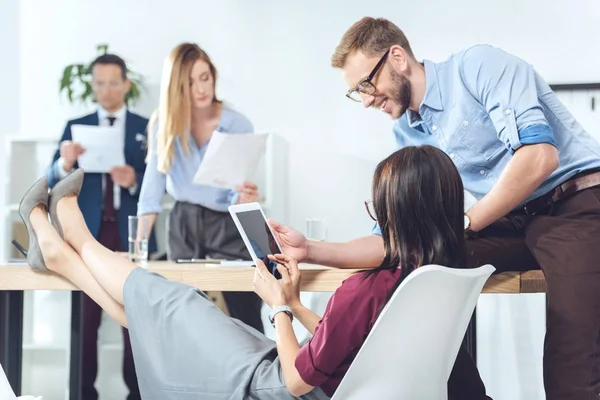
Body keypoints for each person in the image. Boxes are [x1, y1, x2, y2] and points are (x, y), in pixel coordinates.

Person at [269, 17, 600, 400]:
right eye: (355, 92)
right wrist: (310, 250)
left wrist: (463, 222)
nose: (365, 99)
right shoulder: (406, 134)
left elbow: (540, 157)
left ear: (397, 57)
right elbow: (396, 240)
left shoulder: (478, 66)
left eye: (366, 83)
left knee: (571, 366)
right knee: (416, 266)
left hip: (578, 204)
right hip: (517, 219)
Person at [16, 144, 486, 399]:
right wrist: (298, 304)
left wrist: (279, 308)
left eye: (377, 208)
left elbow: (297, 380)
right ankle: (63, 255)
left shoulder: (369, 286)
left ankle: (77, 241)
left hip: (282, 386)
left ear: (396, 214)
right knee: (170, 319)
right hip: (330, 381)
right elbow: (363, 348)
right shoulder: (431, 274)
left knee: (174, 302)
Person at [46, 53, 157, 400]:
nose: (105, 90)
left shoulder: (146, 126)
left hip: (130, 233)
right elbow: (52, 179)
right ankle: (81, 393)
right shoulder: (75, 125)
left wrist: (133, 180)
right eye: (99, 83)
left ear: (126, 84)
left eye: (112, 82)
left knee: (136, 318)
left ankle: (139, 393)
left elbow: (159, 181)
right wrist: (65, 161)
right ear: (92, 85)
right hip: (87, 233)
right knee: (85, 318)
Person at [136, 42, 264, 332]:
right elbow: (151, 192)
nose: (200, 89)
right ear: (176, 87)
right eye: (190, 82)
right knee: (186, 315)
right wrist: (138, 249)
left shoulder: (237, 123)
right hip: (184, 222)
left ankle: (260, 372)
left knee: (245, 313)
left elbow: (237, 190)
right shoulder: (164, 124)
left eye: (205, 77)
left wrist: (244, 198)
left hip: (228, 224)